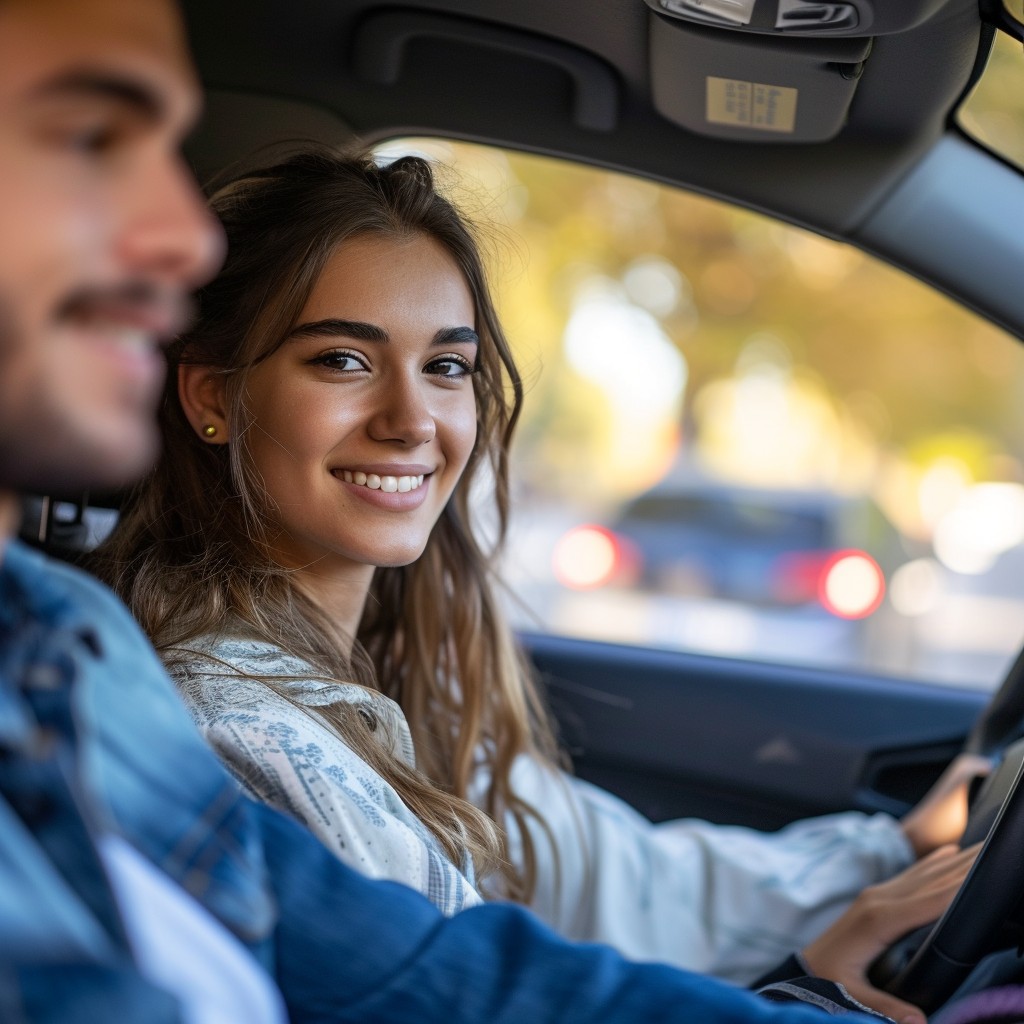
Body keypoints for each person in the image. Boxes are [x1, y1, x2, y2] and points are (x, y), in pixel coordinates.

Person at [0, 0, 920, 1020]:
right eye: (343, 359)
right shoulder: (231, 728)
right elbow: (448, 988)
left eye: (447, 366)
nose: (411, 419)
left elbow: (618, 878)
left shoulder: (392, 686)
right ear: (213, 395)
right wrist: (801, 993)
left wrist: (891, 851)